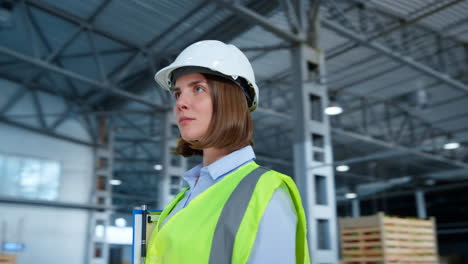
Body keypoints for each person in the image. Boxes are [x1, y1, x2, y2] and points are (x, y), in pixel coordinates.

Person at [145, 40, 310, 264]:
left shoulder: (266, 193)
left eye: (198, 89)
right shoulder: (185, 196)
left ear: (231, 99)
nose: (181, 102)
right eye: (177, 94)